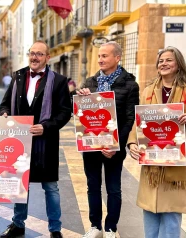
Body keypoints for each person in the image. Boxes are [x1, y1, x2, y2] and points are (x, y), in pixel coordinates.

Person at [0, 40, 72, 238]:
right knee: (20, 184)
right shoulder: (18, 76)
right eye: (32, 53)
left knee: (51, 187)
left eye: (39, 54)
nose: (34, 57)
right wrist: (5, 114)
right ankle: (18, 224)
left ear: (48, 58)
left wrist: (46, 127)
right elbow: (5, 104)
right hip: (20, 142)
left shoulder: (58, 81)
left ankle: (55, 229)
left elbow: (65, 112)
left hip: (46, 143)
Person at [127, 46, 186, 238]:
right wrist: (132, 143)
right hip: (151, 162)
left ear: (178, 64)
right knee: (150, 211)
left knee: (171, 213)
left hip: (175, 163)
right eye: (161, 61)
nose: (164, 63)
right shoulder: (148, 91)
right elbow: (139, 122)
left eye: (168, 60)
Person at [76, 41, 139, 238]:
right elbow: (80, 113)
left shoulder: (130, 84)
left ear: (117, 58)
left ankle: (111, 227)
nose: (100, 59)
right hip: (91, 145)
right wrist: (81, 97)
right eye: (99, 56)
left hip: (114, 147)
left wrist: (117, 145)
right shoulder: (90, 82)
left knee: (113, 188)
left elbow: (131, 118)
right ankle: (95, 227)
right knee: (92, 186)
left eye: (105, 56)